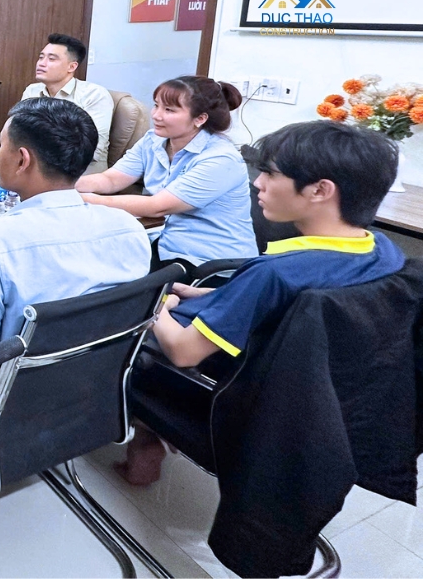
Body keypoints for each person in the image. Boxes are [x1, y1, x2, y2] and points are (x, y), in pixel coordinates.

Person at [116, 120, 404, 486]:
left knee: (121, 331)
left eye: (271, 173)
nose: (258, 183)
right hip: (315, 404)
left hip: (227, 394)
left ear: (319, 190)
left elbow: (183, 353)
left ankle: (144, 439)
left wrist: (157, 305)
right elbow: (294, 308)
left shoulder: (272, 274)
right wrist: (215, 295)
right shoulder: (382, 250)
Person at [0, 97, 151, 345]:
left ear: (22, 160)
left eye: (2, 144)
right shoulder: (130, 229)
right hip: (108, 366)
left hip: (13, 370)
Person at [76, 75, 257, 267]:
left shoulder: (221, 158)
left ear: (200, 119)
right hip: (167, 245)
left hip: (210, 260)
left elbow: (157, 207)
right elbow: (111, 180)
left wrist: (78, 198)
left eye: (169, 110)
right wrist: (62, 184)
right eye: (156, 105)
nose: (156, 115)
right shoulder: (152, 140)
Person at [20, 34, 114, 170]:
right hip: (39, 170)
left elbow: (92, 149)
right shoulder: (32, 91)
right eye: (41, 57)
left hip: (80, 174)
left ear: (72, 66)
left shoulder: (94, 95)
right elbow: (18, 134)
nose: (41, 63)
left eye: (51, 59)